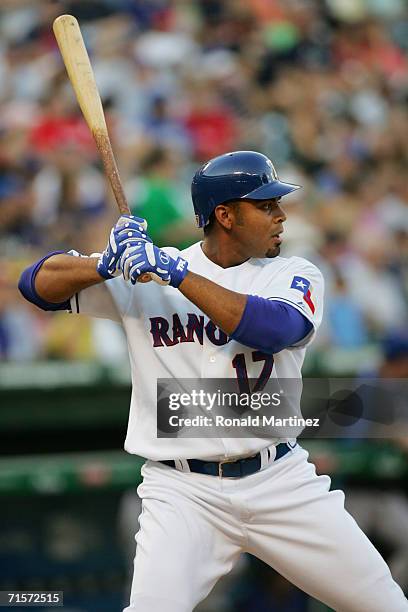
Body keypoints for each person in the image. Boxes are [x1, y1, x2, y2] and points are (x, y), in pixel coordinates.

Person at [18, 151, 408, 612]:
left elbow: (276, 329)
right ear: (225, 215)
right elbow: (35, 285)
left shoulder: (291, 273)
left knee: (384, 605)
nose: (280, 215)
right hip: (182, 492)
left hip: (280, 480)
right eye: (265, 205)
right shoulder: (146, 272)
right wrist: (106, 263)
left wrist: (176, 275)